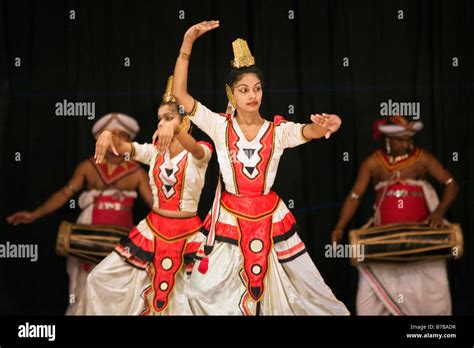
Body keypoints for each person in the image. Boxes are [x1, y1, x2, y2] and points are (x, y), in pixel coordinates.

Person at [170, 20, 350, 315]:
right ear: (232, 94)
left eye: (257, 88)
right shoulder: (219, 126)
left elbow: (308, 131)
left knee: (303, 291)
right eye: (243, 90)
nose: (252, 95)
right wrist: (188, 40)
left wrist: (331, 125)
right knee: (201, 290)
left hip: (270, 219)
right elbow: (180, 94)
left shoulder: (277, 131)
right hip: (230, 221)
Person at [76, 76, 214, 315]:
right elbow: (126, 148)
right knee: (98, 279)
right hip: (151, 231)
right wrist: (109, 135)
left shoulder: (200, 154)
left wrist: (176, 129)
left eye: (168, 118)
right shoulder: (154, 152)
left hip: (188, 235)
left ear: (186, 122)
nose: (162, 123)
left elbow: (195, 148)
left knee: (188, 304)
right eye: (160, 119)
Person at [7, 112, 153, 315]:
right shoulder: (88, 166)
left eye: (122, 135)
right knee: (84, 287)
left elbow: (155, 204)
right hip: (87, 239)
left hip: (121, 240)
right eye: (111, 135)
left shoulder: (137, 172)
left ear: (129, 140)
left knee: (118, 289)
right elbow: (65, 193)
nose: (116, 140)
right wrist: (34, 215)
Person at [331, 115, 459, 315]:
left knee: (434, 294)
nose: (407, 143)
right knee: (368, 300)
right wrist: (340, 226)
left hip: (422, 238)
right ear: (388, 140)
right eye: (401, 139)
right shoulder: (373, 163)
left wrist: (439, 213)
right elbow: (355, 196)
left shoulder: (422, 158)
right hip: (383, 239)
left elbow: (451, 183)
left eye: (409, 138)